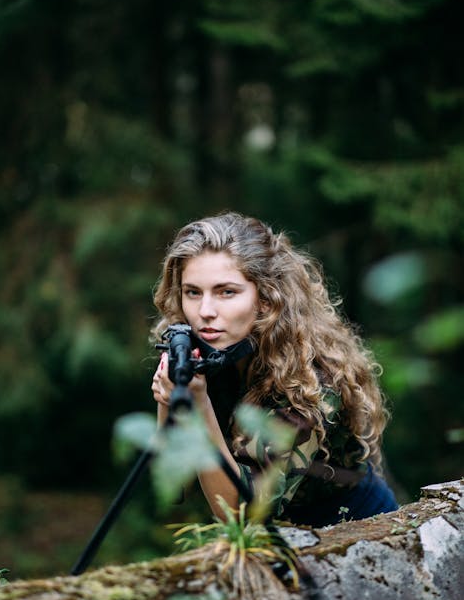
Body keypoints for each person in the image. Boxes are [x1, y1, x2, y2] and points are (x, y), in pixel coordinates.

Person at [151, 212, 398, 527]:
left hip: (354, 534)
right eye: (193, 292)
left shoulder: (312, 380)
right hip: (272, 539)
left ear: (266, 299)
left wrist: (199, 405)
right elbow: (172, 487)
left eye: (227, 292)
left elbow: (241, 514)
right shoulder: (206, 352)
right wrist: (169, 397)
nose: (205, 312)